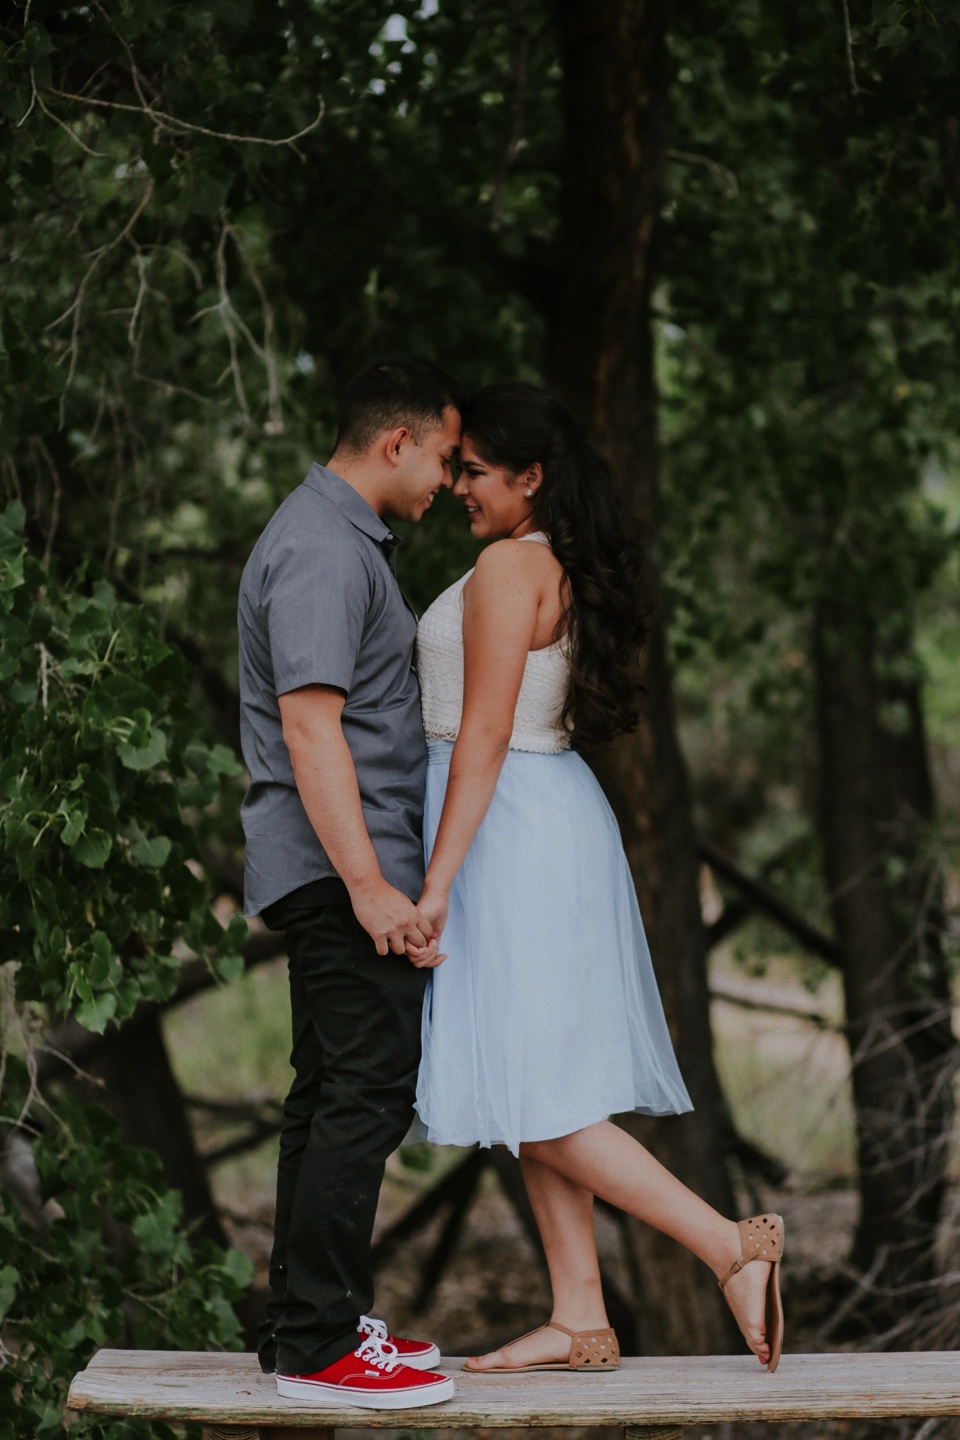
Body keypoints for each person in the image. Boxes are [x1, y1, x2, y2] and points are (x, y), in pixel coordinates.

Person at [411, 382, 785, 1376]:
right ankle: (580, 1312)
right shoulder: (551, 563)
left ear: (532, 477)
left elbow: (482, 730)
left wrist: (437, 877)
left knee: (534, 1096)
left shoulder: (507, 567)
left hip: (508, 830)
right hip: (537, 817)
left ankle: (728, 1246)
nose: (458, 488)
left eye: (477, 472)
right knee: (538, 1080)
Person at [237, 357, 462, 1409]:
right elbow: (309, 722)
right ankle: (325, 1344)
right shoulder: (325, 549)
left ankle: (306, 1325)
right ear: (395, 443)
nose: (449, 484)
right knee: (366, 1089)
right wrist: (371, 884)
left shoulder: (332, 536)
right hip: (342, 869)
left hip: (334, 866)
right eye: (446, 460)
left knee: (330, 1090)